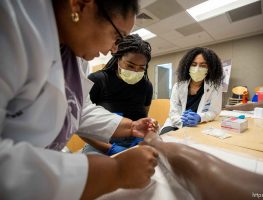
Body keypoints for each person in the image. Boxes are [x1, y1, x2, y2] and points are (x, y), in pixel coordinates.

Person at [0, 1, 159, 200]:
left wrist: (130, 126)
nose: (113, 49)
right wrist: (115, 171)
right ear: (80, 5)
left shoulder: (75, 54)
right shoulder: (10, 23)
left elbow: (78, 109)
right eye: (116, 36)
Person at [142, 132, 263, 200]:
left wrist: (155, 142)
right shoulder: (180, 86)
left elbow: (201, 167)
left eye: (203, 65)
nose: (198, 68)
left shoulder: (213, 86)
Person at [83, 34, 153, 155]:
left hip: (135, 141)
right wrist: (109, 148)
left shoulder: (146, 86)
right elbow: (82, 125)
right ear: (118, 59)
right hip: (100, 143)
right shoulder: (97, 80)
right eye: (130, 65)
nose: (135, 71)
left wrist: (147, 131)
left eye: (141, 68)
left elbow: (143, 118)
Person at [160, 47, 223, 134]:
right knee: (164, 138)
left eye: (203, 65)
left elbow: (214, 111)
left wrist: (200, 117)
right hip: (176, 123)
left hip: (199, 125)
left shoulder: (215, 87)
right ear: (187, 66)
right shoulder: (178, 86)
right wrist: (182, 122)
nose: (197, 68)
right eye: (193, 64)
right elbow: (173, 111)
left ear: (210, 68)